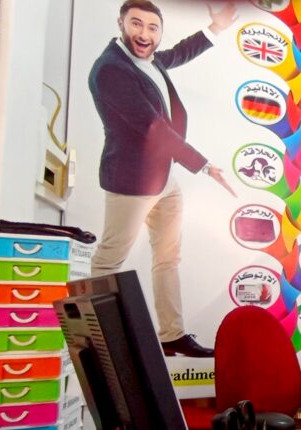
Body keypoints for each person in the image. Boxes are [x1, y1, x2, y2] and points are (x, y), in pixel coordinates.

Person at [88, 0, 237, 357]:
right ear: (121, 24)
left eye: (152, 28)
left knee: (168, 258)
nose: (144, 34)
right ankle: (99, 338)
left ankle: (172, 334)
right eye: (136, 24)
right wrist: (204, 164)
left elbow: (177, 54)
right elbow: (153, 128)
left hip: (163, 178)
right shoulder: (111, 70)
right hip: (131, 182)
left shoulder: (147, 59)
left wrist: (215, 29)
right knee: (109, 260)